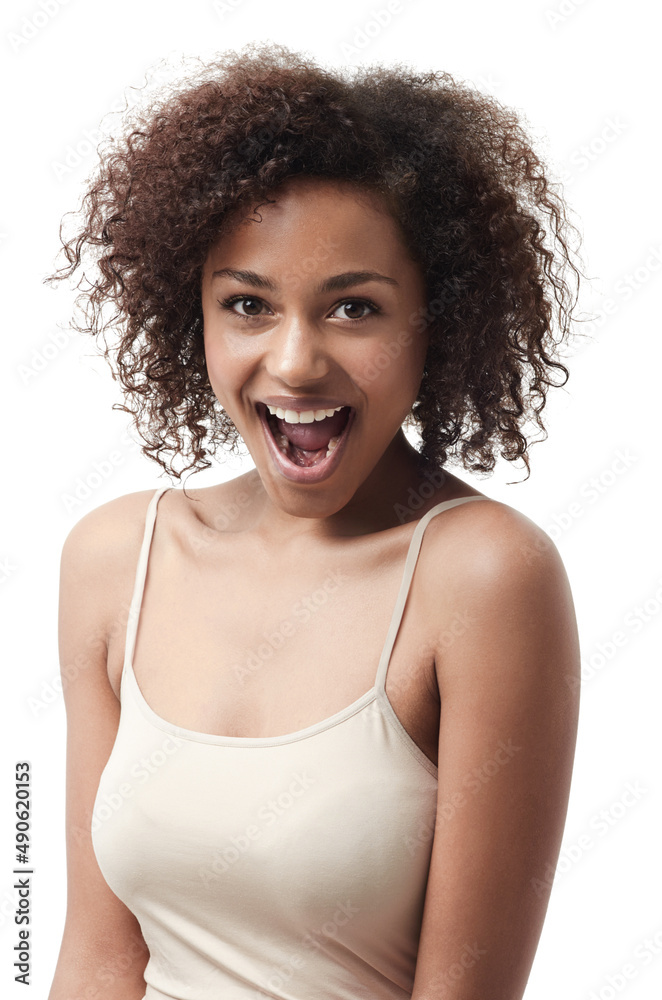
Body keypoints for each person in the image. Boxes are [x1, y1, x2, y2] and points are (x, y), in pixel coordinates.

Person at [46, 41, 583, 1000]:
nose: (295, 363)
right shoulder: (116, 559)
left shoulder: (486, 578)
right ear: (195, 316)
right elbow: (96, 961)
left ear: (439, 319)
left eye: (353, 309)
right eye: (247, 303)